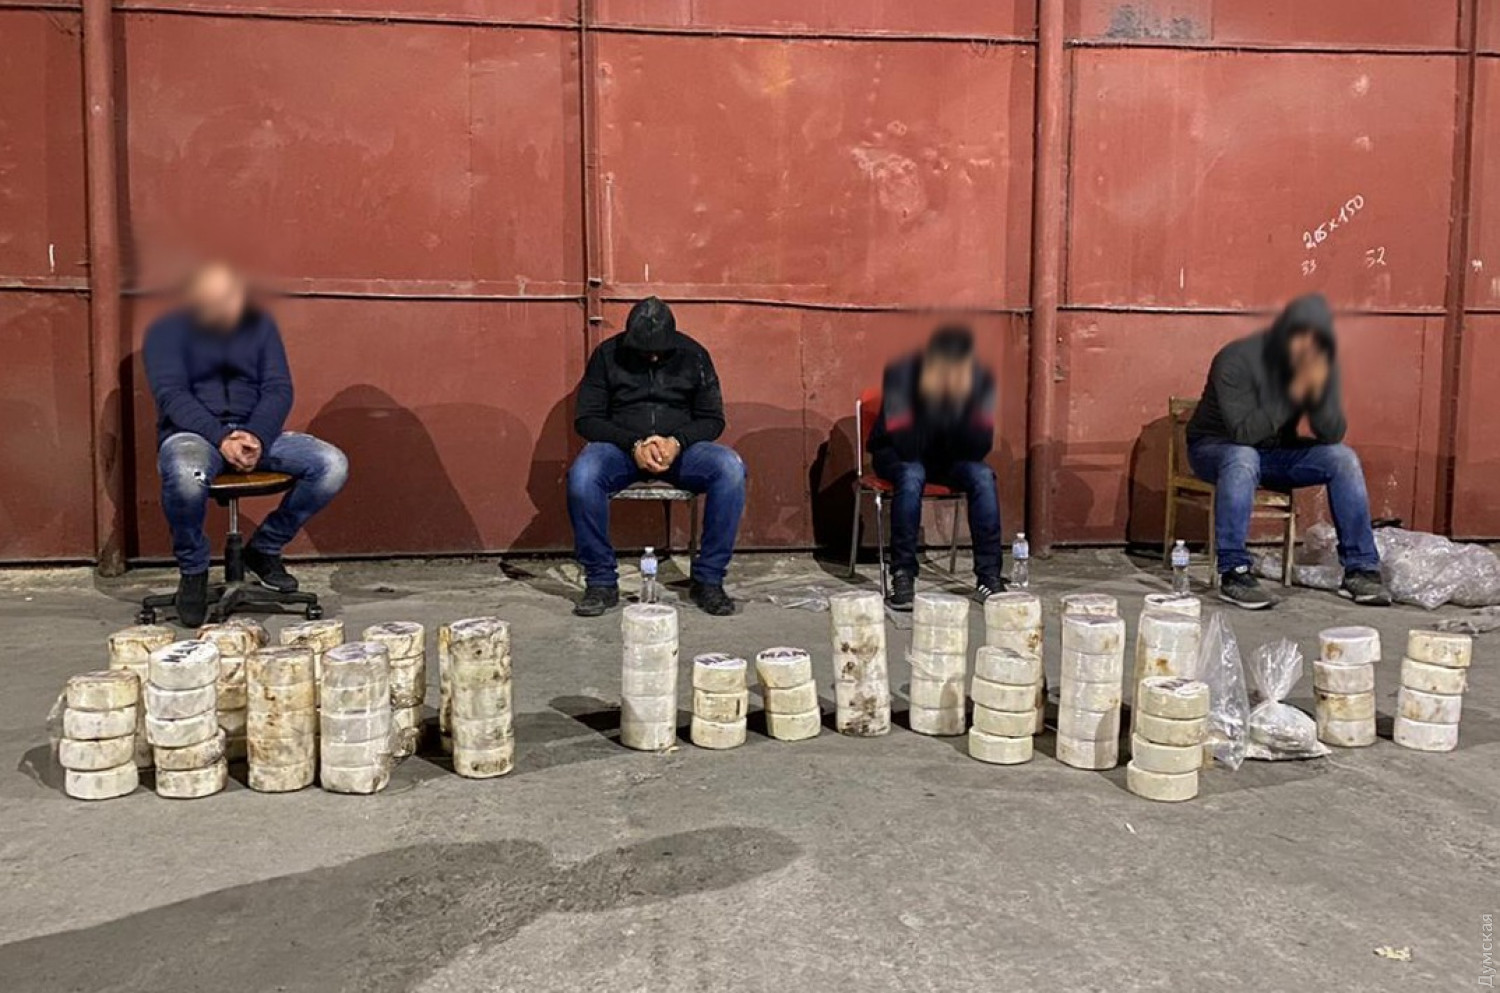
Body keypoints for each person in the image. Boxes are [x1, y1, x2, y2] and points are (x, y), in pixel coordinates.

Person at [143, 263, 348, 626]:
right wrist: (221, 438)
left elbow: (278, 388)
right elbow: (172, 395)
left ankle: (264, 548)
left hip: (256, 434)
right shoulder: (165, 332)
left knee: (331, 464)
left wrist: (255, 435)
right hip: (196, 436)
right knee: (185, 473)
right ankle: (193, 569)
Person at [1187, 293, 1389, 609]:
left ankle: (1361, 569)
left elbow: (1331, 433)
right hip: (1216, 449)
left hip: (1274, 453)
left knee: (1342, 458)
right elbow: (1244, 434)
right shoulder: (1236, 359)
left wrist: (1320, 392)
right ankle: (1234, 571)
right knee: (1243, 457)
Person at [567, 297, 747, 617]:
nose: (651, 357)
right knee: (583, 476)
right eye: (643, 351)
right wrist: (633, 444)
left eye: (659, 352)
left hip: (681, 452)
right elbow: (587, 419)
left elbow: (712, 419)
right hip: (621, 452)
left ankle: (708, 581)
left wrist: (677, 442)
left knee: (729, 468)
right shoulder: (607, 355)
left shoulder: (694, 355)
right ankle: (601, 582)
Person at [869, 324, 1003, 610]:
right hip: (896, 452)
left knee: (982, 476)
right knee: (912, 474)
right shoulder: (900, 375)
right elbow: (906, 444)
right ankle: (903, 573)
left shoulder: (980, 381)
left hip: (947, 455)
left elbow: (980, 447)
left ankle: (989, 577)